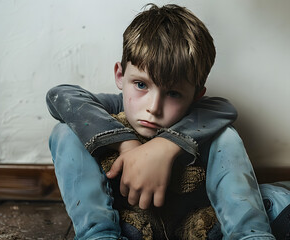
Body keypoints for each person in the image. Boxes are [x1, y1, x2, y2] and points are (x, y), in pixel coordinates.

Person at [47, 4, 290, 240]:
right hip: (130, 226)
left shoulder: (202, 115)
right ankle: (98, 235)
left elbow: (224, 108)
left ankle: (250, 235)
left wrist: (164, 146)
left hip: (204, 224)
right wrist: (126, 144)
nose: (153, 108)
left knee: (231, 143)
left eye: (173, 93)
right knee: (65, 132)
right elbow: (61, 95)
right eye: (141, 85)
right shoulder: (109, 109)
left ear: (195, 95)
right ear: (120, 76)